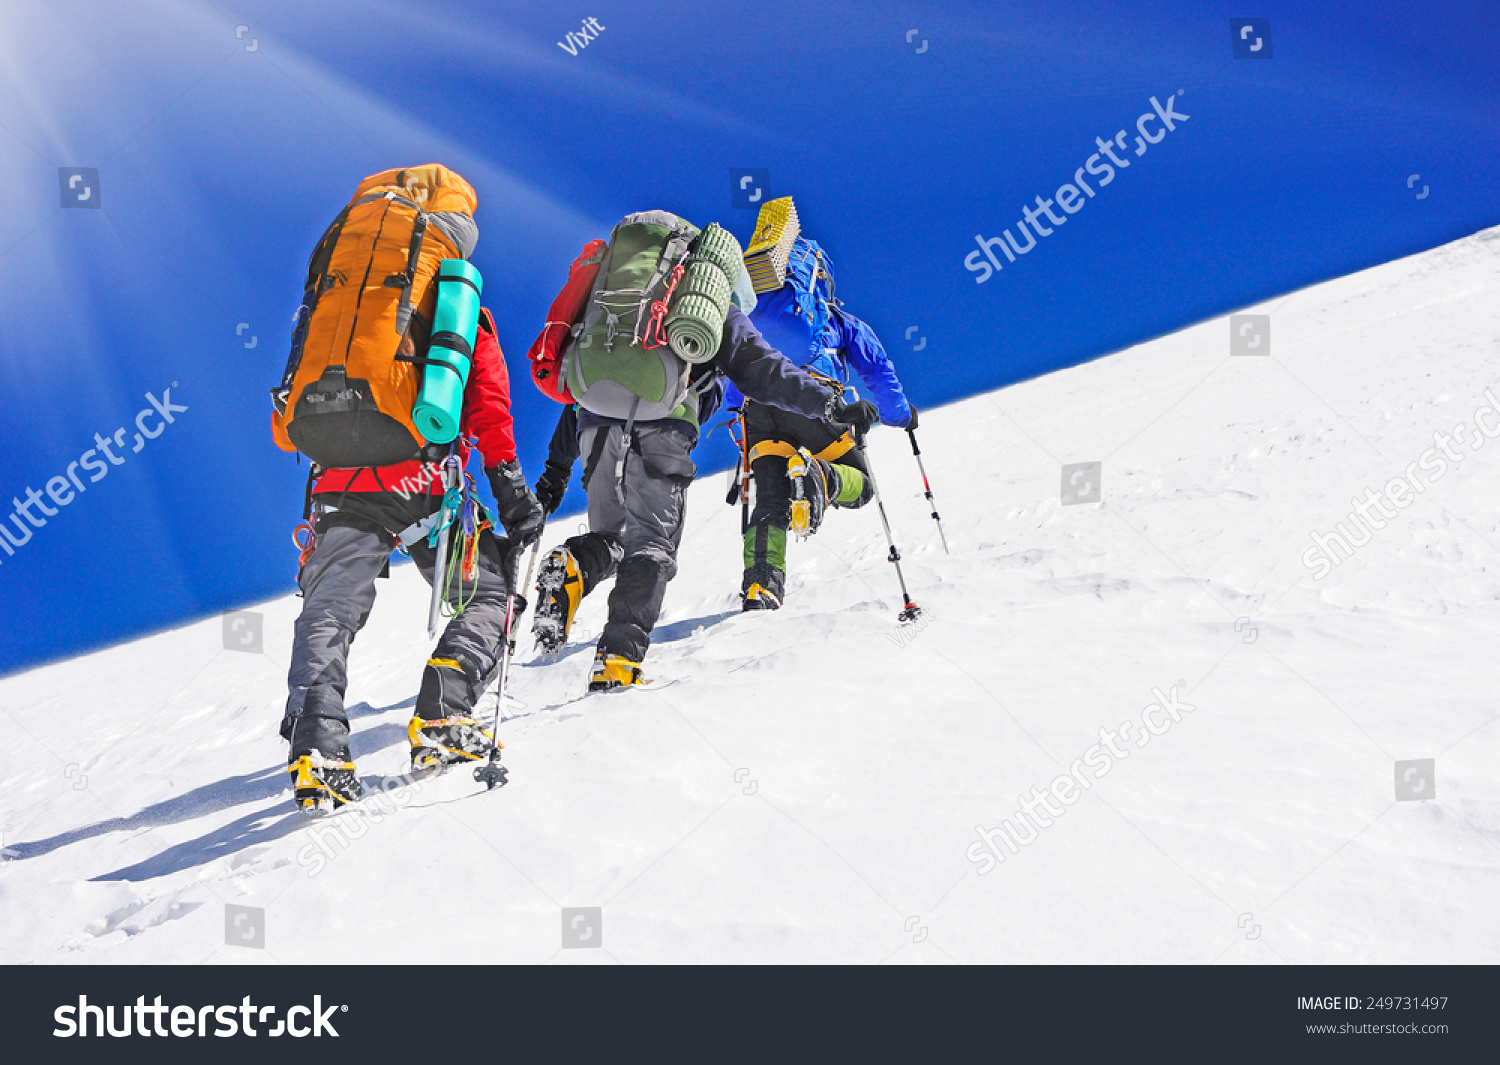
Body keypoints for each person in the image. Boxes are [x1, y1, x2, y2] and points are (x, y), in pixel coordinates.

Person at [527, 213, 868, 691]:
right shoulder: (702, 300)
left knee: (614, 536)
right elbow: (760, 369)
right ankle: (618, 662)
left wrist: (555, 473)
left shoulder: (608, 305)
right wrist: (824, 401)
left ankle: (575, 565)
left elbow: (575, 396)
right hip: (664, 424)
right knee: (651, 547)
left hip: (593, 423)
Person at [281, 306, 544, 811]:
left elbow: (287, 412)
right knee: (489, 594)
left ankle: (317, 746)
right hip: (425, 482)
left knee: (330, 610)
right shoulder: (460, 310)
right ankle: (444, 714)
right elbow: (488, 402)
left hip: (340, 485)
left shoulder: (334, 307)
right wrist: (510, 489)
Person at [727, 216, 914, 611]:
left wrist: (742, 429)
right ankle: (822, 479)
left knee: (770, 505)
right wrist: (900, 415)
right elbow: (877, 369)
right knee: (862, 485)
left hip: (758, 415)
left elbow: (735, 377)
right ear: (820, 277)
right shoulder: (836, 320)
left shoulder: (752, 318)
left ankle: (762, 588)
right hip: (814, 401)